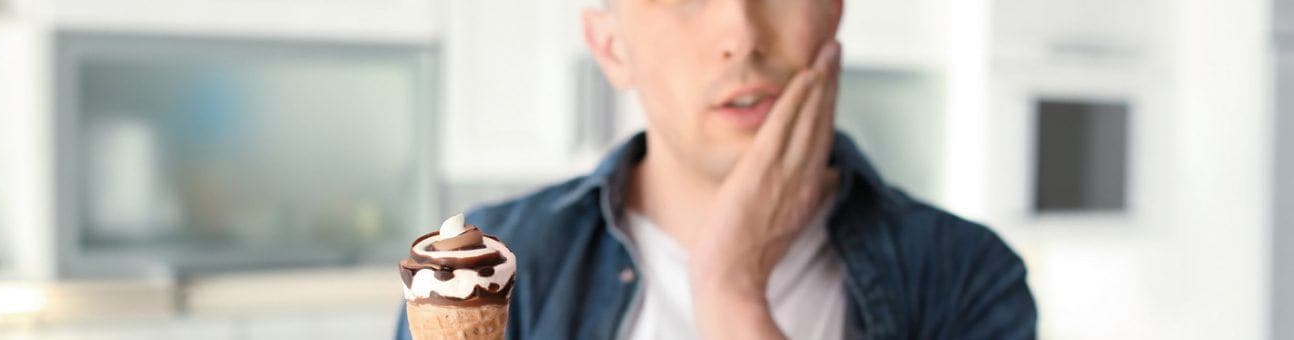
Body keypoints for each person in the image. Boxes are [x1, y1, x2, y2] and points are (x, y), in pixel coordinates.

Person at [396, 0, 1036, 338]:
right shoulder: (484, 268)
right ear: (612, 49)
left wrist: (731, 294)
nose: (742, 32)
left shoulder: (968, 277)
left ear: (834, 11)